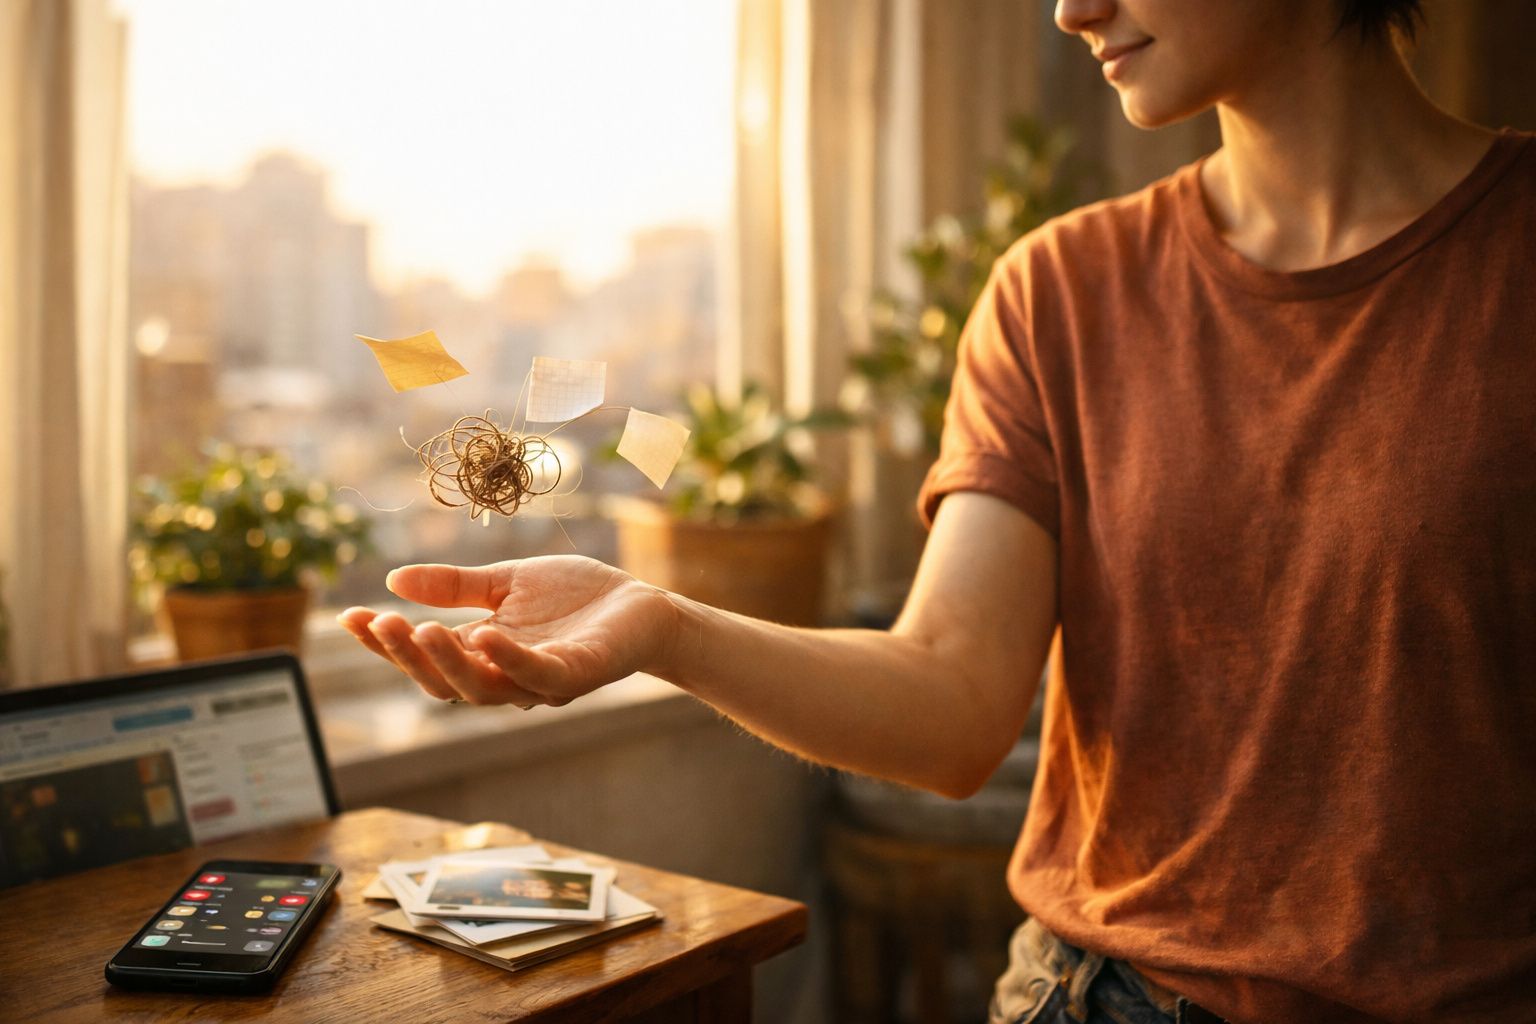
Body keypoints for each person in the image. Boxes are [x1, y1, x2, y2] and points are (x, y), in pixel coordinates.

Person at [341, 0, 1536, 1020]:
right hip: (1102, 996)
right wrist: (658, 624)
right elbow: (953, 699)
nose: (1070, 9)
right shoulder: (1061, 293)